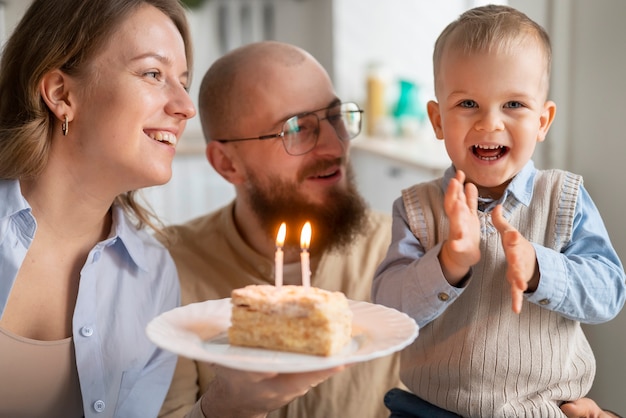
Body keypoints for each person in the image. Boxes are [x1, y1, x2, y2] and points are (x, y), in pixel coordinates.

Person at [0, 1, 339, 417]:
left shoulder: (152, 273)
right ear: (61, 93)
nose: (186, 106)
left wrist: (231, 404)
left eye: (182, 81)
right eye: (153, 74)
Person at [372, 4, 626, 417]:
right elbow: (387, 312)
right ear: (437, 120)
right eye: (468, 103)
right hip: (430, 409)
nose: (490, 123)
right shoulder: (416, 209)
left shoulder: (564, 197)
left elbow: (609, 294)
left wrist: (540, 268)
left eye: (513, 105)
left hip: (542, 410)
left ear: (543, 121)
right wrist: (449, 261)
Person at [158, 40, 403, 418]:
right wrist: (224, 408)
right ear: (227, 163)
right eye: (298, 129)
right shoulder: (165, 270)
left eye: (337, 117)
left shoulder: (405, 255)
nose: (335, 146)